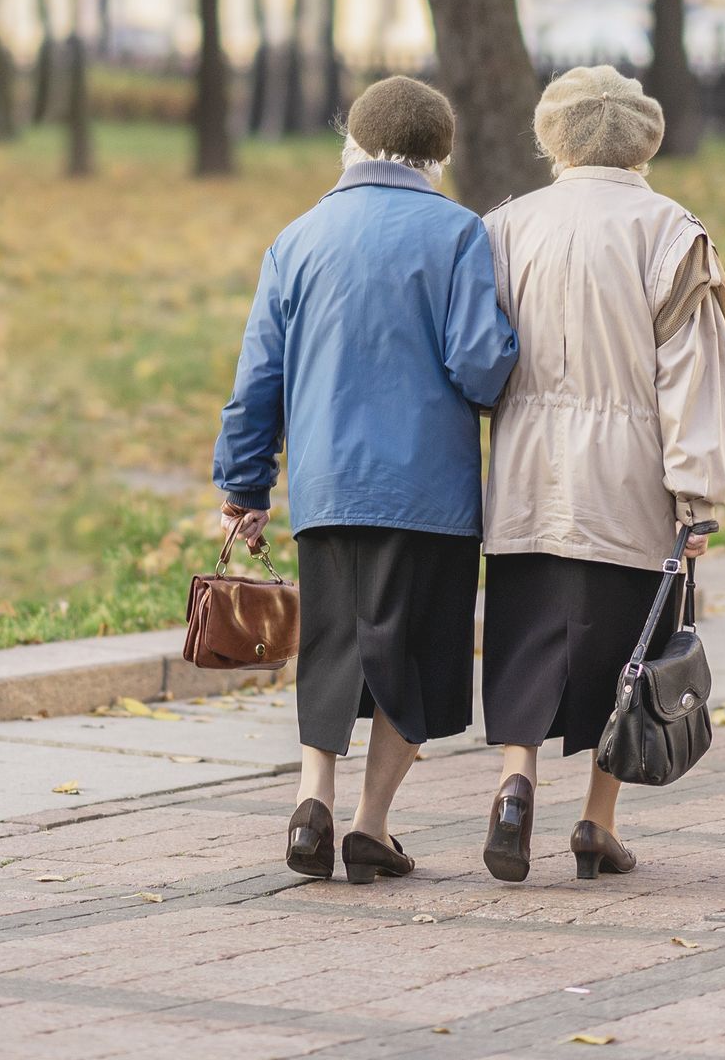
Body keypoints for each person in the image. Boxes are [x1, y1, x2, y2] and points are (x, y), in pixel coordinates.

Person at [213, 77, 518, 884]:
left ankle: (313, 794)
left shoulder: (298, 237)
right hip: (429, 495)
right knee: (414, 661)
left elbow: (258, 381)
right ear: (439, 156)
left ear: (350, 141)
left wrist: (245, 487)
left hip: (327, 490)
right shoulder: (458, 235)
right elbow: (481, 367)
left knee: (333, 646)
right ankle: (370, 824)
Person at [479, 65, 725, 882]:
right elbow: (691, 374)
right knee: (626, 655)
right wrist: (697, 494)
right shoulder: (669, 233)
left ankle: (513, 787)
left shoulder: (505, 227)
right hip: (629, 481)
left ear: (552, 134)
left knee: (524, 635)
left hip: (525, 473)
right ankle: (597, 820)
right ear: (644, 137)